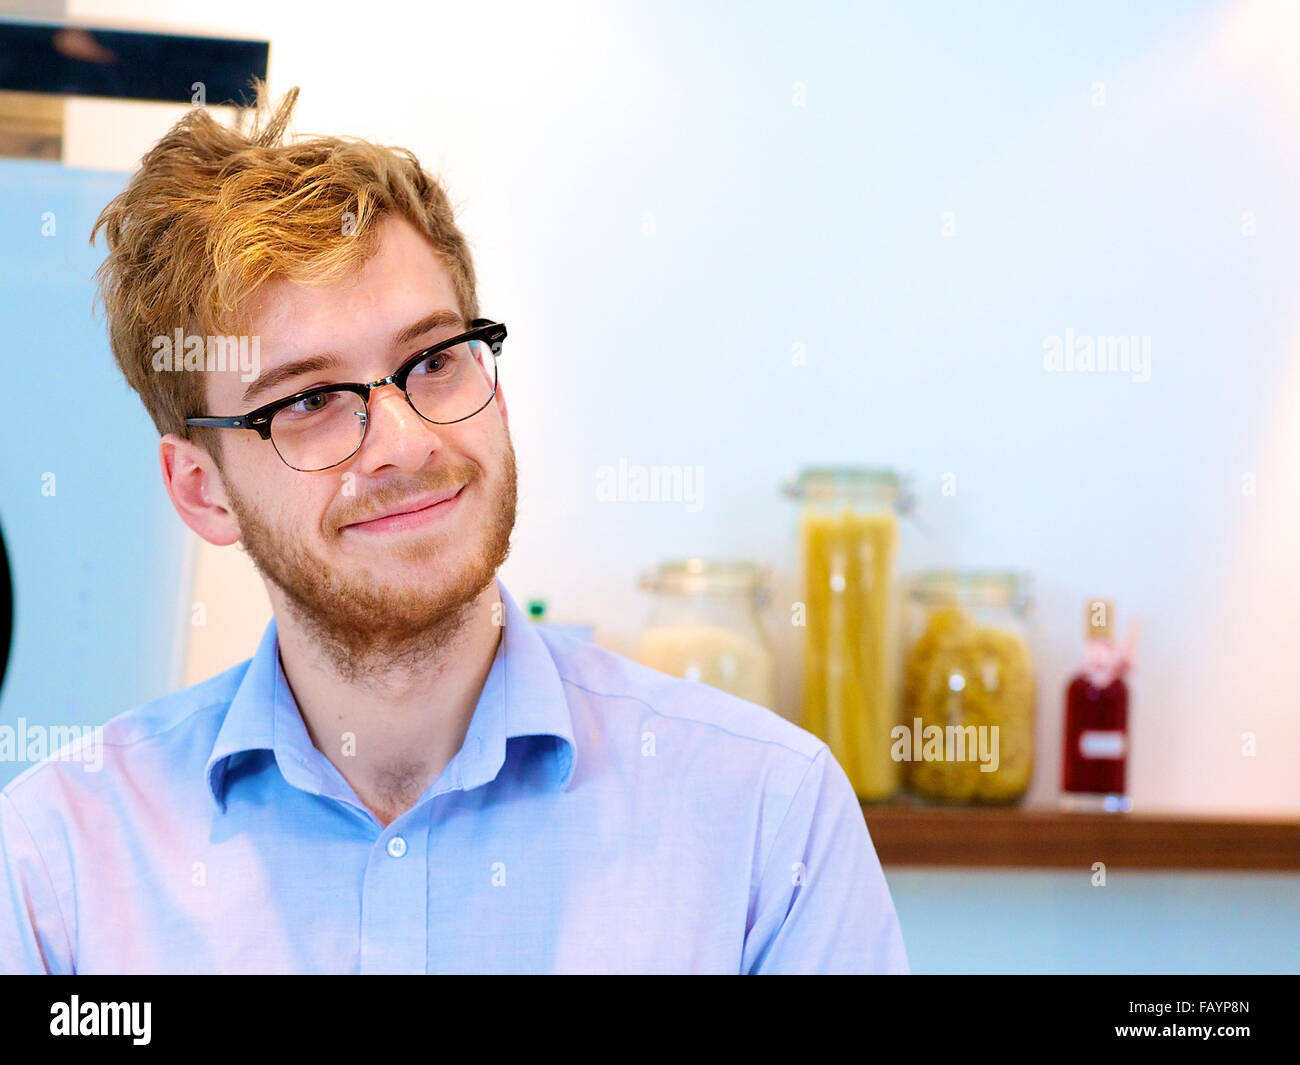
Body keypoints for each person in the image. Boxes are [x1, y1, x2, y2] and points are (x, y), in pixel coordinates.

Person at [0, 84, 908, 974]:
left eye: (432, 360)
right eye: (312, 399)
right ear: (203, 492)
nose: (405, 441)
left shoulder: (765, 818)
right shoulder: (56, 871)